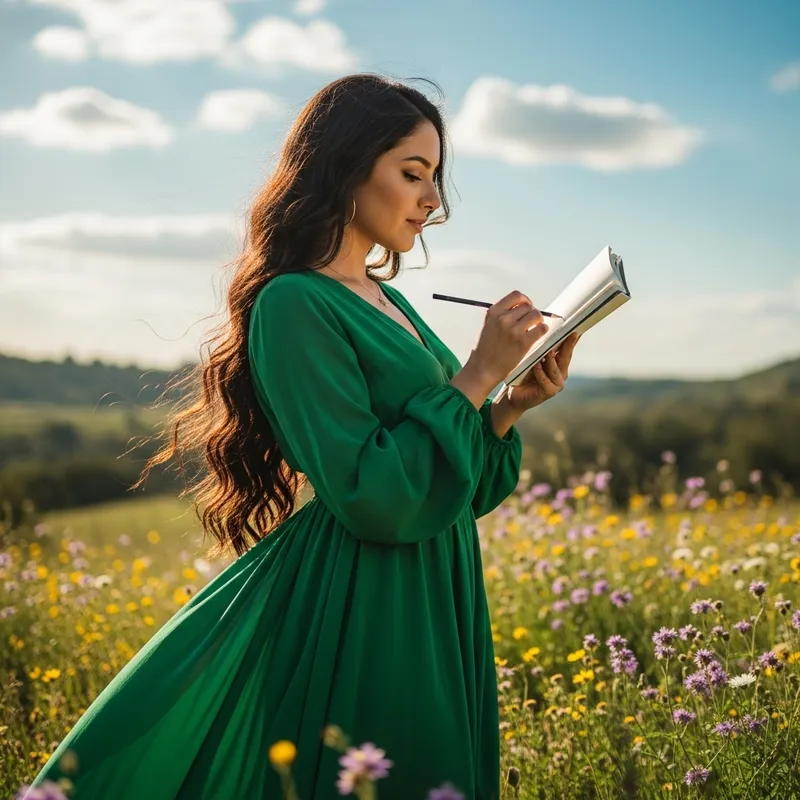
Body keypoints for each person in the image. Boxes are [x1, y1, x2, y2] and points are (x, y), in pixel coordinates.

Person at [24, 73, 579, 800]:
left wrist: (505, 407)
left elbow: (448, 490)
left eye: (435, 178)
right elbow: (372, 494)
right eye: (412, 174)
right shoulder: (293, 303)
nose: (432, 199)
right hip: (363, 593)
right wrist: (476, 374)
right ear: (346, 168)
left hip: (435, 574)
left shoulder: (390, 300)